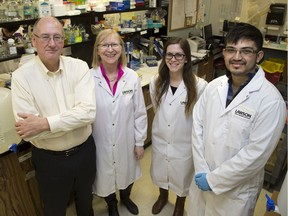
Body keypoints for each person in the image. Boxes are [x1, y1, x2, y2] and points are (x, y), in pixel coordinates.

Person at [188, 23, 286, 216]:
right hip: (202, 177)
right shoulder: (214, 87)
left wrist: (214, 180)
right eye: (231, 50)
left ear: (258, 56)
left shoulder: (271, 101)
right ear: (224, 53)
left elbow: (255, 155)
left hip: (235, 194)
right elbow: (197, 126)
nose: (237, 57)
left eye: (246, 51)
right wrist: (201, 170)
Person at [11, 16, 96, 216]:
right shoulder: (21, 77)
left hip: (85, 153)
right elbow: (29, 133)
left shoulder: (79, 67)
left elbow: (88, 113)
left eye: (57, 37)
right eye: (45, 37)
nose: (52, 43)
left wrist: (45, 123)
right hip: (50, 161)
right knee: (55, 208)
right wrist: (71, 121)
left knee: (86, 202)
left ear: (64, 40)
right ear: (33, 40)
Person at [89, 29, 147, 216]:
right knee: (105, 175)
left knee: (127, 171)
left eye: (115, 44)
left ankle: (126, 197)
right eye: (105, 45)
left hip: (126, 140)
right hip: (100, 140)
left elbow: (139, 113)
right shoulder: (89, 78)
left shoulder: (131, 77)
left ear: (122, 49)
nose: (110, 49)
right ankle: (111, 204)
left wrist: (139, 143)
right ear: (97, 50)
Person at [149, 37, 207, 216]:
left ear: (187, 58)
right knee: (160, 171)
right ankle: (162, 196)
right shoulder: (156, 82)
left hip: (184, 142)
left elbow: (201, 119)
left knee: (182, 176)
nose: (173, 59)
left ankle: (180, 204)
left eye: (179, 55)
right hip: (160, 138)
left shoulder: (199, 86)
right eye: (169, 55)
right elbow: (158, 108)